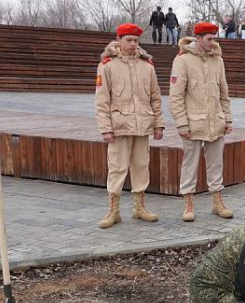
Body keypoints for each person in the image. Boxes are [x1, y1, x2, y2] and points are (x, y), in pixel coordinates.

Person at [95, 23, 164, 230]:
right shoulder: (107, 65)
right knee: (117, 167)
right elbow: (101, 101)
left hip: (143, 124)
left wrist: (159, 124)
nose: (133, 44)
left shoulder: (147, 66)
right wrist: (105, 127)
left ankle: (139, 207)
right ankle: (113, 211)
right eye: (129, 40)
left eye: (136, 40)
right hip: (119, 126)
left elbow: (155, 97)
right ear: (119, 40)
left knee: (141, 166)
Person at [170, 22, 234, 221]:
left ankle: (217, 202)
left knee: (216, 164)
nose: (213, 42)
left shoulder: (218, 60)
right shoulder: (182, 60)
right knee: (190, 164)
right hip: (192, 123)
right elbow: (176, 96)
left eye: (215, 38)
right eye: (209, 39)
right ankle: (188, 203)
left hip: (216, 122)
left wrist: (228, 119)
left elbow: (224, 92)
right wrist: (181, 123)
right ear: (198, 38)